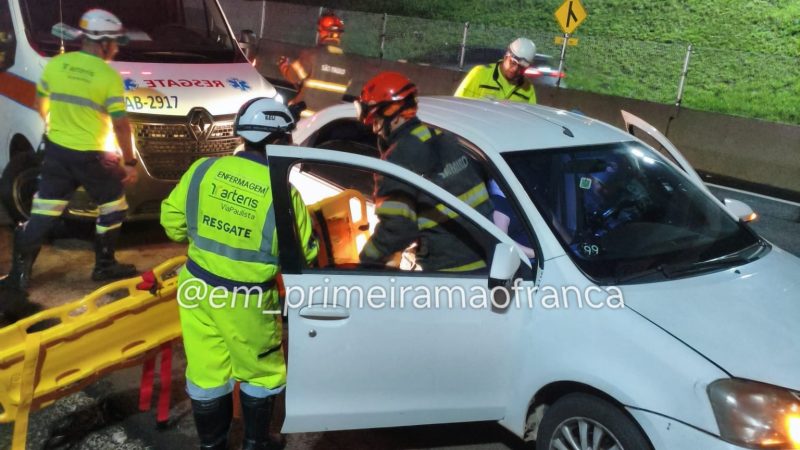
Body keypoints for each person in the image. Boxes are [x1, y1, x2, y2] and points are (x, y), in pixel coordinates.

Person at [161, 97, 317, 450]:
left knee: (205, 373)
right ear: (278, 141)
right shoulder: (284, 196)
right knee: (261, 373)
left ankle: (212, 445)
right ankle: (255, 443)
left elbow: (172, 225)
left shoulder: (203, 170)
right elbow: (304, 255)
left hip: (197, 289)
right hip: (247, 300)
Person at [0, 9, 138, 290]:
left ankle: (20, 274)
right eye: (114, 43)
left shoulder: (56, 65)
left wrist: (59, 128)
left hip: (57, 152)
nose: (115, 49)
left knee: (44, 211)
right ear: (103, 43)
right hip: (92, 157)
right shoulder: (107, 76)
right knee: (114, 204)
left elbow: (42, 106)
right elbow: (121, 125)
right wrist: (130, 162)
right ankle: (105, 265)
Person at [357, 72, 493, 272]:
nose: (374, 128)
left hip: (449, 268)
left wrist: (365, 260)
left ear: (394, 115)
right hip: (484, 257)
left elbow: (398, 228)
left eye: (376, 120)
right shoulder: (441, 138)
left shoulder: (399, 157)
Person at [278, 10, 350, 116]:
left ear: (322, 31)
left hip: (305, 118)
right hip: (326, 121)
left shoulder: (312, 55)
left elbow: (292, 76)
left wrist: (283, 65)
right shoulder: (347, 63)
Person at [454, 37, 538, 104]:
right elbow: (457, 105)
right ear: (506, 56)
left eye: (521, 67)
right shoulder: (480, 74)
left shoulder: (528, 89)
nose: (515, 69)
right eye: (513, 63)